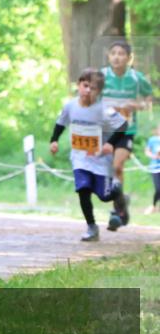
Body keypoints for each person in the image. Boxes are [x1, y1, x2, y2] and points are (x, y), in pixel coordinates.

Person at [49, 69, 130, 242]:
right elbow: (61, 122)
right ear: (78, 85)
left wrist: (110, 143)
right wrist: (54, 140)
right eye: (85, 86)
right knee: (83, 190)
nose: (88, 91)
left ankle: (118, 193)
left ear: (98, 92)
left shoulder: (103, 109)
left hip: (101, 161)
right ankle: (92, 227)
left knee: (104, 196)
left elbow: (123, 125)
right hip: (80, 159)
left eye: (92, 88)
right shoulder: (70, 106)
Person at [101, 40, 152, 226]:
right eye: (113, 53)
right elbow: (89, 97)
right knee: (105, 172)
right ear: (108, 56)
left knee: (117, 167)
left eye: (121, 53)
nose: (116, 57)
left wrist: (138, 105)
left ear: (129, 58)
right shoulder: (101, 76)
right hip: (105, 129)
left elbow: (149, 99)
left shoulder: (137, 78)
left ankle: (117, 211)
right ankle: (122, 203)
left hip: (126, 130)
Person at [145, 123, 160, 215]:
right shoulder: (152, 140)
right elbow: (147, 151)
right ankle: (153, 205)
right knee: (158, 188)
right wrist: (153, 156)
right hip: (155, 168)